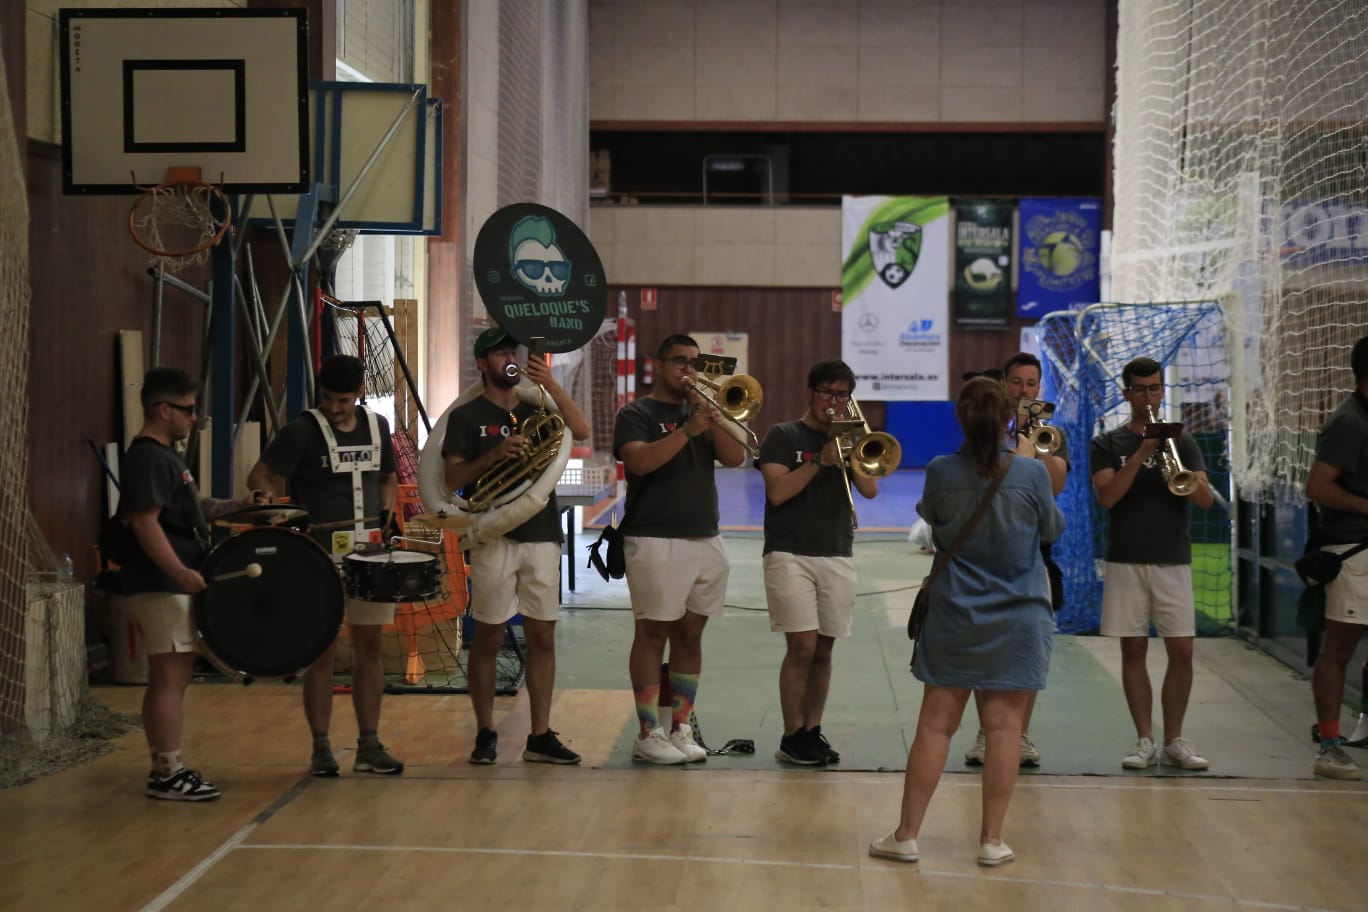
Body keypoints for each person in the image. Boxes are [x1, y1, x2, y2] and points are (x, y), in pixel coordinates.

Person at [869, 377, 1062, 866]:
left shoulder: (939, 470)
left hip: (954, 614)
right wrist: (1029, 461)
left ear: (960, 417)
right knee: (1003, 728)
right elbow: (1052, 529)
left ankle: (907, 834)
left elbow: (931, 520)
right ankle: (992, 840)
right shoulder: (1031, 473)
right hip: (1019, 616)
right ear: (1007, 420)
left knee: (936, 725)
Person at [246, 354, 403, 777]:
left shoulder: (378, 427)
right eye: (331, 399)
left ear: (360, 393)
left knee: (370, 649)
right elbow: (258, 476)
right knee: (322, 652)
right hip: (318, 556)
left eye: (345, 400)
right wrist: (264, 500)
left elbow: (388, 476)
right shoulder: (301, 432)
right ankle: (321, 748)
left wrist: (387, 509)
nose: (336, 408)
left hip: (369, 553)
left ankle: (369, 744)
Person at [442, 327, 591, 765]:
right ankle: (486, 730)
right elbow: (452, 480)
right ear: (482, 363)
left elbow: (579, 430)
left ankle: (540, 734)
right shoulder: (467, 415)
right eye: (499, 352)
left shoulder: (537, 406)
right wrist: (493, 456)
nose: (508, 355)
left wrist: (548, 383)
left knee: (543, 635)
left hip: (541, 533)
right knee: (488, 636)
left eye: (512, 348)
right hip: (494, 534)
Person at [119, 367, 261, 800]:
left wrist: (241, 505)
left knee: (170, 676)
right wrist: (179, 573)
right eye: (187, 410)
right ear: (164, 410)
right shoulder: (146, 457)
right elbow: (144, 522)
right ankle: (167, 772)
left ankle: (166, 766)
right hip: (162, 584)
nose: (193, 418)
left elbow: (195, 508)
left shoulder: (167, 456)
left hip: (173, 582)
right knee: (169, 677)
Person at [613, 334, 748, 764]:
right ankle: (648, 731)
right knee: (652, 634)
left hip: (705, 536)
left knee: (691, 635)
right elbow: (639, 462)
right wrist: (688, 430)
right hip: (654, 537)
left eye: (695, 363)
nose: (689, 370)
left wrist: (717, 418)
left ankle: (682, 727)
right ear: (657, 364)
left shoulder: (703, 412)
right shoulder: (636, 413)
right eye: (680, 362)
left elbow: (733, 458)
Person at [1090, 356, 1215, 771]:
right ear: (1127, 393)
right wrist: (1143, 451)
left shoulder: (1185, 440)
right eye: (1141, 389)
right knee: (1134, 649)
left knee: (1182, 650)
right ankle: (1144, 739)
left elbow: (1204, 499)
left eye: (1155, 389)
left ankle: (1174, 739)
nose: (1149, 397)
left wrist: (1177, 468)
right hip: (1126, 556)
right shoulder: (1107, 443)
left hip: (1172, 557)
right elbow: (1107, 497)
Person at [758, 359, 877, 766]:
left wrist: (853, 446)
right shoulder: (782, 435)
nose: (834, 401)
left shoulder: (852, 438)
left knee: (824, 649)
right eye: (827, 392)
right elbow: (777, 493)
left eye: (842, 394)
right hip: (789, 551)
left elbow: (871, 489)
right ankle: (791, 735)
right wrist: (819, 461)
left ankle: (812, 729)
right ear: (810, 393)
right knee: (802, 645)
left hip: (836, 550)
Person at [964, 352, 1069, 768]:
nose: (1024, 390)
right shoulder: (986, 430)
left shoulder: (1051, 434)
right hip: (984, 556)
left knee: (1028, 650)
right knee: (982, 648)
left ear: (1039, 389)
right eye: (1017, 382)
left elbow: (1056, 485)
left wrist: (1035, 442)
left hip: (1032, 558)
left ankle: (1020, 733)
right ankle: (984, 732)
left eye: (1032, 383)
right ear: (1004, 385)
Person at [1304, 335, 1368, 780]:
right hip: (1353, 552)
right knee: (1338, 649)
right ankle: (1329, 746)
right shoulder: (1349, 423)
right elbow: (1319, 486)